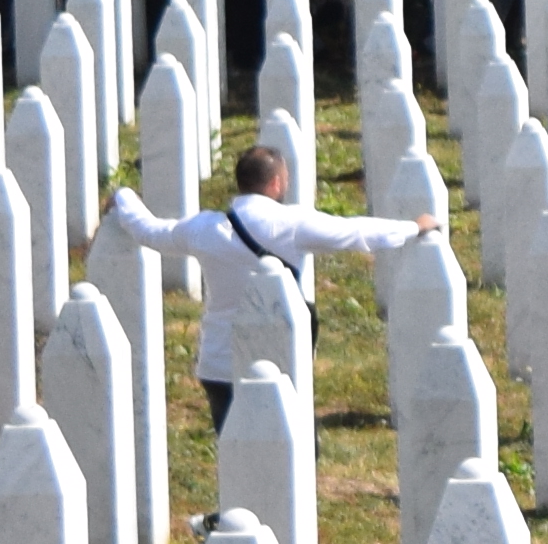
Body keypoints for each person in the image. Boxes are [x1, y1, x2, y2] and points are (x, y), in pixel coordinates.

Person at [100, 139, 442, 472]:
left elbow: (151, 231)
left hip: (221, 357)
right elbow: (355, 233)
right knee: (288, 454)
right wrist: (414, 227)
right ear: (277, 182)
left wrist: (124, 197)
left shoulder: (203, 228)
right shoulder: (290, 224)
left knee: (237, 455)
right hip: (279, 351)